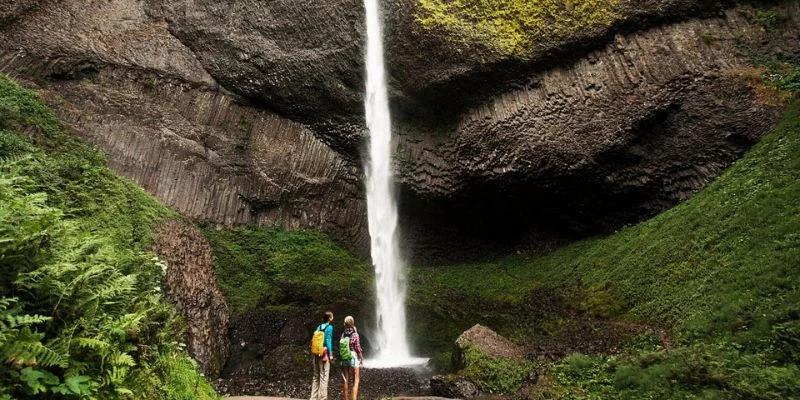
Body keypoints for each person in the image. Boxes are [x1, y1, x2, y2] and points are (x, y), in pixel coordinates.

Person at [310, 311, 334, 400]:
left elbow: (313, 339)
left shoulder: (319, 327)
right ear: (330, 318)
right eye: (332, 316)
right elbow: (328, 340)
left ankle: (313, 398)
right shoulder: (330, 327)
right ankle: (322, 398)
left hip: (316, 354)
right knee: (324, 376)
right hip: (323, 355)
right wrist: (330, 354)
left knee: (316, 376)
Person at [340, 316, 364, 400]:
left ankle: (345, 399)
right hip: (353, 356)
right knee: (356, 380)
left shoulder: (343, 334)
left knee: (345, 379)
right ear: (352, 323)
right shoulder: (355, 334)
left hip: (344, 357)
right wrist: (361, 358)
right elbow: (357, 348)